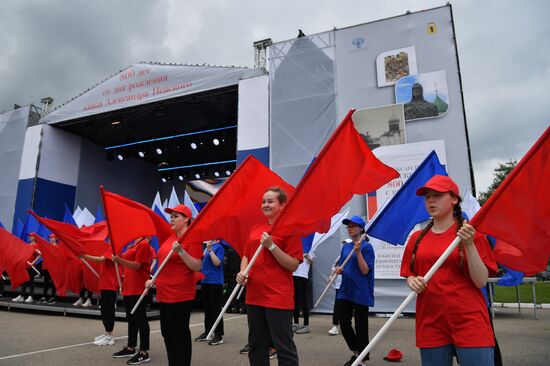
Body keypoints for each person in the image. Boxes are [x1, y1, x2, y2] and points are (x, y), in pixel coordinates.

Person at [400, 175, 498, 366]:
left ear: (454, 199)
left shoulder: (472, 235)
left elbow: (480, 281)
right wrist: (412, 281)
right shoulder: (416, 239)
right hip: (431, 323)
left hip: (469, 321)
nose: (430, 200)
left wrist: (468, 244)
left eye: (437, 195)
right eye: (427, 196)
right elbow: (409, 273)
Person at [236, 186, 302, 366]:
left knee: (283, 346)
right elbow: (246, 255)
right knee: (257, 345)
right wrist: (243, 272)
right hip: (254, 295)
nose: (265, 204)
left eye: (270, 201)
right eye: (263, 201)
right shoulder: (256, 228)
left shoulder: (290, 229)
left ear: (282, 205)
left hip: (277, 296)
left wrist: (272, 246)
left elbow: (293, 264)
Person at [146, 204, 202, 366]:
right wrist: (153, 280)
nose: (172, 218)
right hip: (164, 294)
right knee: (167, 333)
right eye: (171, 216)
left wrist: (182, 252)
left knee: (179, 334)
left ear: (186, 219)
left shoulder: (192, 238)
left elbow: (196, 266)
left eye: (176, 216)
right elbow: (165, 265)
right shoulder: (170, 238)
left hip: (180, 294)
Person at [334, 215, 375, 366]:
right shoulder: (346, 246)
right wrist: (339, 270)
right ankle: (356, 352)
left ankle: (362, 360)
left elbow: (364, 271)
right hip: (346, 289)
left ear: (361, 228)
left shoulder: (366, 247)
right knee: (343, 322)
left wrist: (358, 252)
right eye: (348, 226)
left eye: (353, 225)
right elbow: (343, 266)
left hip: (361, 290)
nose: (350, 228)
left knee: (361, 326)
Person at [112, 236, 152, 365]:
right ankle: (131, 347)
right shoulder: (133, 244)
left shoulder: (144, 244)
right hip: (129, 286)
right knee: (131, 318)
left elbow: (137, 265)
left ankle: (144, 352)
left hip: (138, 287)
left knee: (140, 319)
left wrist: (120, 260)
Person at [81, 245, 119, 347]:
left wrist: (84, 256)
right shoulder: (110, 248)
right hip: (105, 284)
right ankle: (107, 332)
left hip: (110, 285)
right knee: (104, 310)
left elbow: (101, 259)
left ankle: (109, 336)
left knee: (108, 310)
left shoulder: (114, 249)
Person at [195, 239, 225, 346]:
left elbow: (217, 263)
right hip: (205, 280)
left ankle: (219, 334)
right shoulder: (207, 247)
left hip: (215, 281)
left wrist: (211, 251)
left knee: (215, 308)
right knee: (207, 308)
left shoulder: (219, 247)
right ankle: (208, 331)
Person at [13, 233, 41, 303]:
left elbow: (40, 254)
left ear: (34, 237)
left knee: (31, 281)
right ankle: (21, 296)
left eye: (31, 236)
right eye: (29, 236)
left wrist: (33, 262)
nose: (30, 237)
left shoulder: (36, 245)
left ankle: (30, 296)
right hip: (25, 265)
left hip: (31, 266)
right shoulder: (28, 244)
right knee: (24, 281)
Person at [292, 252, 314, 334]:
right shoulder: (296, 248)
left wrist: (307, 256)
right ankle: (296, 323)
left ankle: (306, 325)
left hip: (303, 276)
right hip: (293, 274)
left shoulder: (310, 249)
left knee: (303, 299)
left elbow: (312, 261)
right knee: (294, 299)